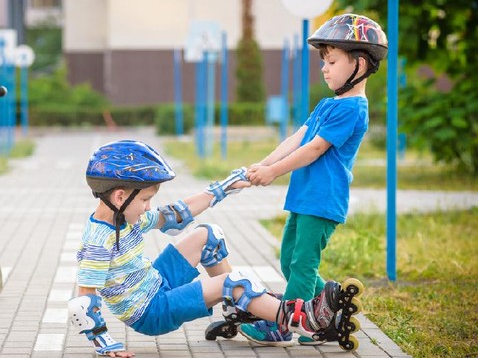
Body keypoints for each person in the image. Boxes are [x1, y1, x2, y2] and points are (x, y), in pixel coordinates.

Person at [69, 140, 354, 357]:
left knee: (207, 235)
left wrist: (226, 187)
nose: (148, 207)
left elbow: (176, 214)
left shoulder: (126, 216)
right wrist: (106, 345)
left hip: (157, 283)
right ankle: (299, 319)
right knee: (233, 283)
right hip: (152, 311)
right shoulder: (98, 242)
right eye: (145, 199)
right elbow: (84, 303)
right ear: (120, 196)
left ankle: (242, 309)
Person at [239, 13, 387, 347]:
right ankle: (328, 307)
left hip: (323, 199)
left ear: (360, 65)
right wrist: (261, 165)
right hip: (305, 196)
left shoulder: (353, 109)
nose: (325, 68)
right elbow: (298, 138)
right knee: (290, 258)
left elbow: (315, 150)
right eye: (324, 61)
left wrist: (274, 173)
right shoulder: (327, 104)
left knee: (303, 265)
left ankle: (284, 324)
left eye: (332, 61)